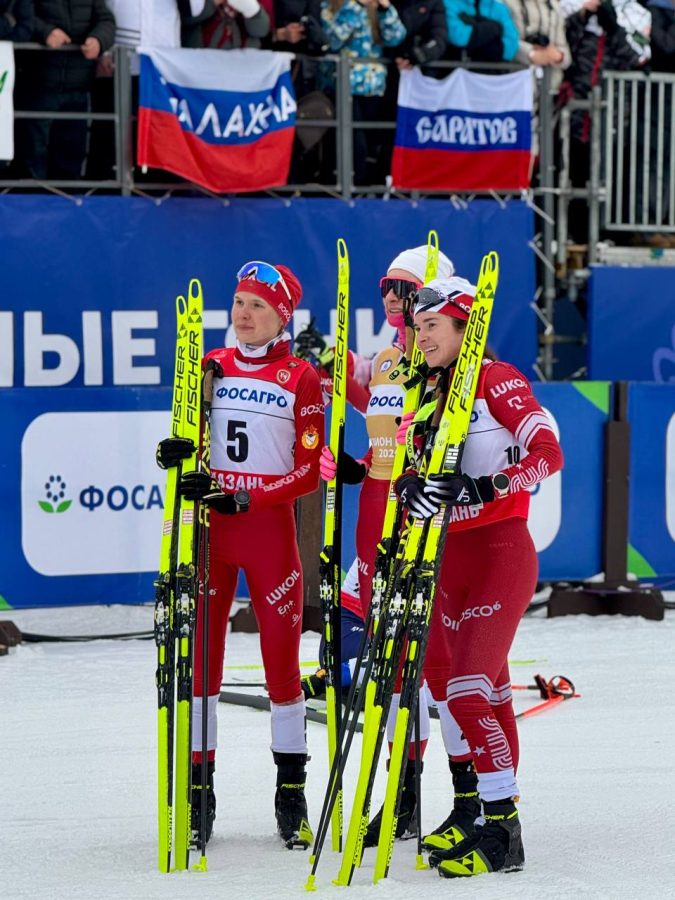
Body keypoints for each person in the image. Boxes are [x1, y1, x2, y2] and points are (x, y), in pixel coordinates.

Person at [393, 276, 564, 878]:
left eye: (432, 327)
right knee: (467, 692)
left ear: (466, 327)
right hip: (449, 560)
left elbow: (548, 453)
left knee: (466, 688)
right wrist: (412, 490)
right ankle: (479, 815)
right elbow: (417, 479)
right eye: (417, 329)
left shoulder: (497, 379)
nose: (421, 338)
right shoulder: (429, 393)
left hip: (500, 552)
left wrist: (489, 485)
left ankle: (505, 833)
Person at [156, 261, 324, 851]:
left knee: (282, 671)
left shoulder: (302, 377)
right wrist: (173, 453)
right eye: (238, 302)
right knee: (203, 668)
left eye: (256, 304)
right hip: (210, 538)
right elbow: (190, 438)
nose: (242, 314)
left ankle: (291, 796)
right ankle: (200, 797)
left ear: (282, 314)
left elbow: (309, 470)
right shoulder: (210, 367)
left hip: (269, 536)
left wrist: (247, 495)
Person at [319, 244, 458, 846]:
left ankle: (426, 796)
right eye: (386, 287)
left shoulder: (444, 370)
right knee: (372, 672)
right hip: (371, 534)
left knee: (415, 674)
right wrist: (349, 465)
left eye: (402, 287)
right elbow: (382, 442)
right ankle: (400, 800)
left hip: (415, 532)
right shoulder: (387, 364)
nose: (391, 299)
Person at [13, 0, 115, 179]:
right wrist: (46, 32)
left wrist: (98, 40)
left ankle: (68, 205)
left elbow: (106, 20)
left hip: (79, 90)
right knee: (32, 157)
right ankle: (32, 205)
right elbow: (17, 15)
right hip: (38, 86)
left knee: (71, 158)